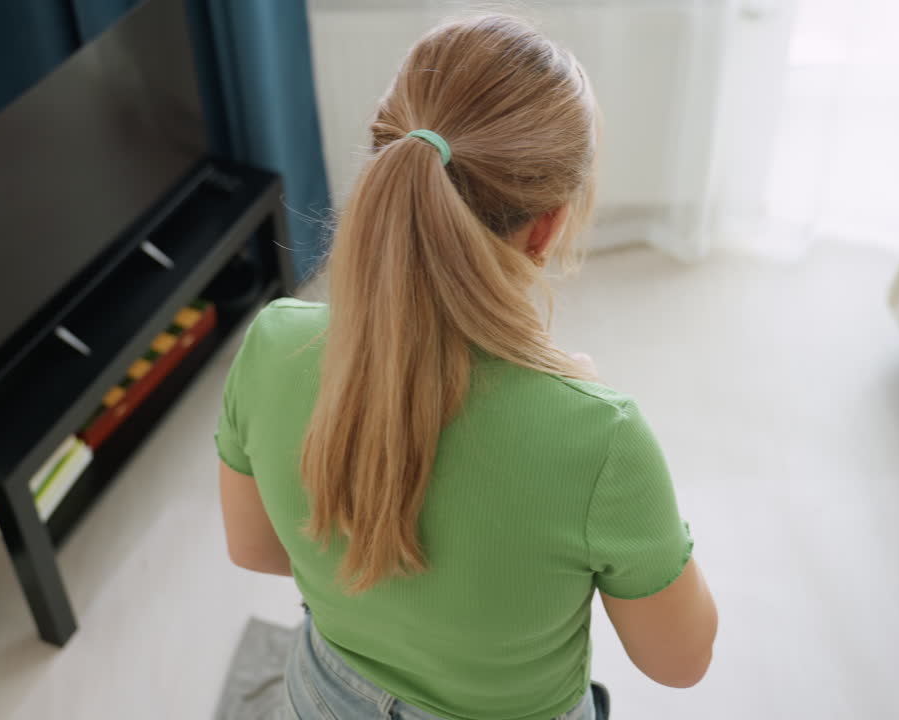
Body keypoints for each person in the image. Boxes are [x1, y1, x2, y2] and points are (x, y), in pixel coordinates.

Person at [216, 14, 717, 720]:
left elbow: (256, 550)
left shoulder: (273, 344)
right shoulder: (601, 437)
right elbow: (680, 662)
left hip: (323, 698)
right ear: (547, 226)